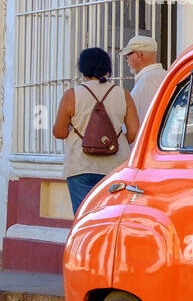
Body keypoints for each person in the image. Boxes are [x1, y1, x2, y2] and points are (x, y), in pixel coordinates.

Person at [52, 48, 139, 215]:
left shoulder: (71, 95)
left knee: (84, 219)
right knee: (111, 218)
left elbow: (59, 132)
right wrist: (110, 143)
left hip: (80, 166)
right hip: (115, 167)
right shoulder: (123, 94)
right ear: (107, 69)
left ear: (82, 69)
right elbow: (134, 132)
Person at [121, 34, 167, 120]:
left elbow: (141, 122)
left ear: (139, 55)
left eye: (127, 56)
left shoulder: (146, 82)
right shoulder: (165, 75)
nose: (127, 60)